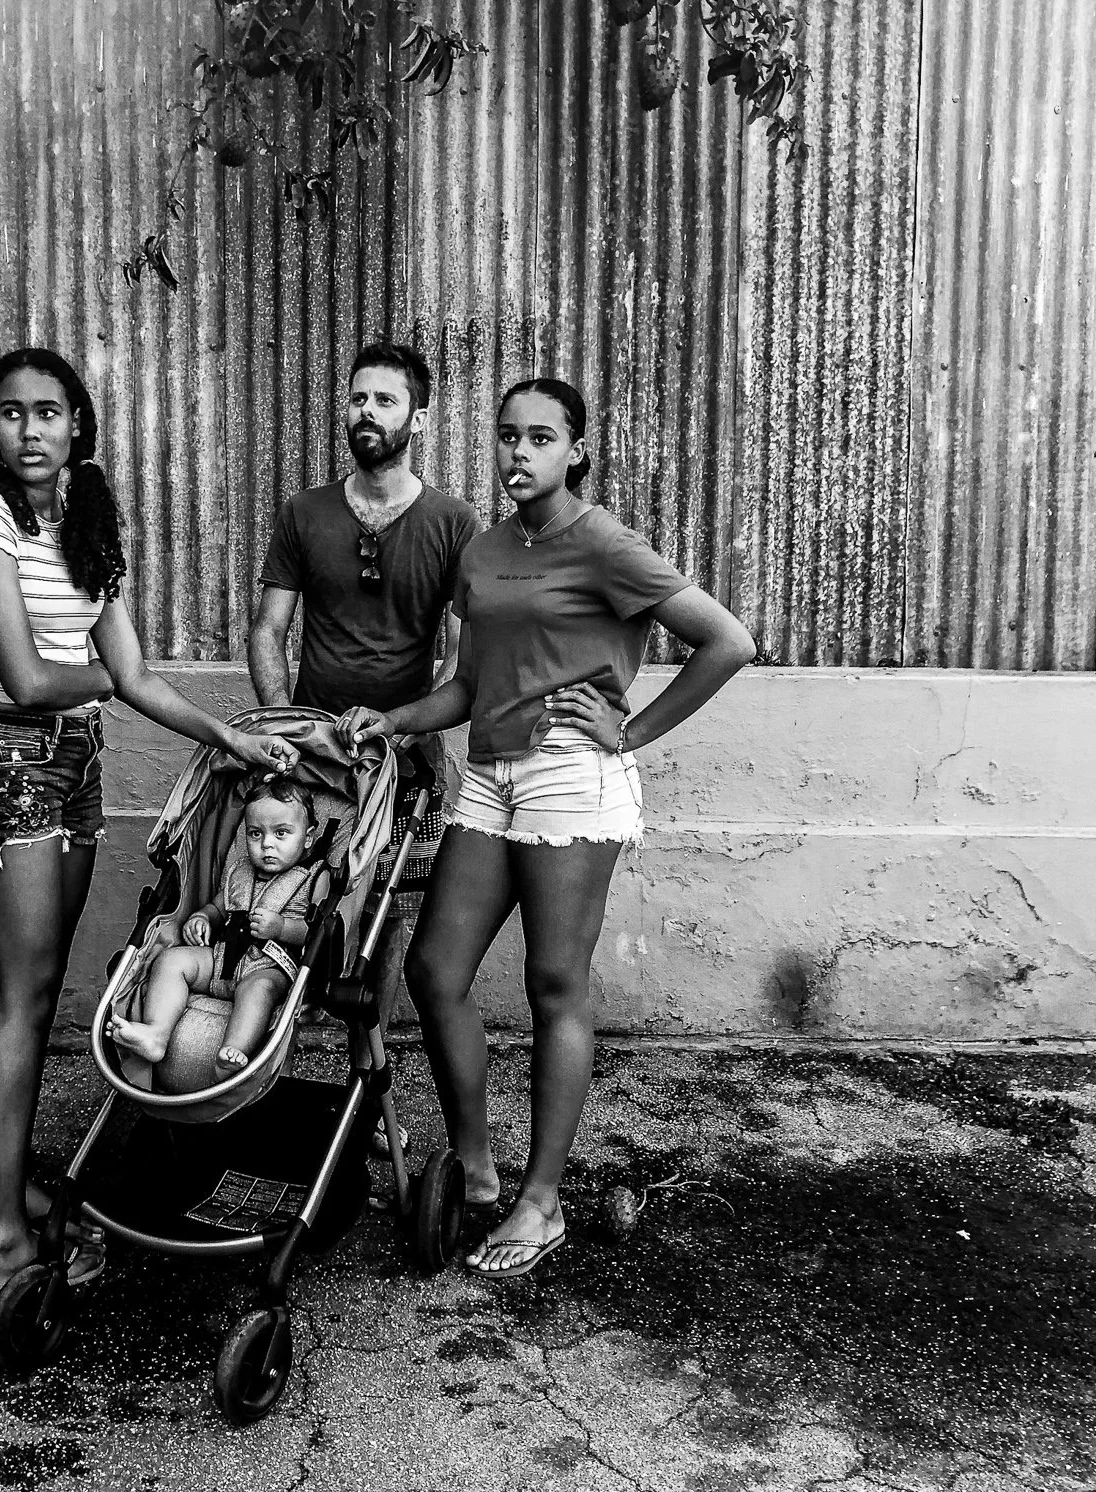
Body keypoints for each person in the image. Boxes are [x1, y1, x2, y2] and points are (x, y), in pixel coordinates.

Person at [336, 378, 755, 1278]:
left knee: (553, 983)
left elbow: (728, 642)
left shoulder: (605, 544)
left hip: (573, 774)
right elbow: (468, 684)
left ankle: (543, 1201)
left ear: (575, 452)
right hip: (491, 773)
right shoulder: (485, 552)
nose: (518, 453)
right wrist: (395, 719)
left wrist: (630, 731)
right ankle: (477, 1170)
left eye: (539, 438)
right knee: (435, 969)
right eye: (507, 436)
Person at [0, 347, 297, 1309]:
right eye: (12, 413)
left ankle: (9, 1193)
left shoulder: (83, 520)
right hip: (5, 759)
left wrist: (226, 736)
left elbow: (136, 674)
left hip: (73, 762)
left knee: (40, 993)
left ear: (77, 424)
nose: (30, 430)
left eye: (48, 412)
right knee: (19, 1000)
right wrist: (112, 682)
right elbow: (29, 679)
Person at [248, 342, 480, 1076]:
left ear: (419, 418)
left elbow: (460, 657)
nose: (367, 412)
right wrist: (282, 726)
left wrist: (408, 727)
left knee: (380, 922)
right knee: (287, 896)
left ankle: (363, 1079)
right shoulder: (304, 512)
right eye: (357, 398)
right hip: (312, 758)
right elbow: (268, 630)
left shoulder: (452, 521)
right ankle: (256, 1063)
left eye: (385, 399)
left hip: (405, 765)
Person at [109, 775, 323, 1081]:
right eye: (255, 833)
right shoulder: (239, 871)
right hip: (221, 959)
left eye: (281, 833)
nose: (267, 844)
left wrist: (282, 927)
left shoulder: (313, 877)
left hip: (270, 968)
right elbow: (219, 907)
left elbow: (315, 933)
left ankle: (233, 1053)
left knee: (258, 990)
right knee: (172, 960)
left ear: (308, 837)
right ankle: (156, 1034)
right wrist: (202, 918)